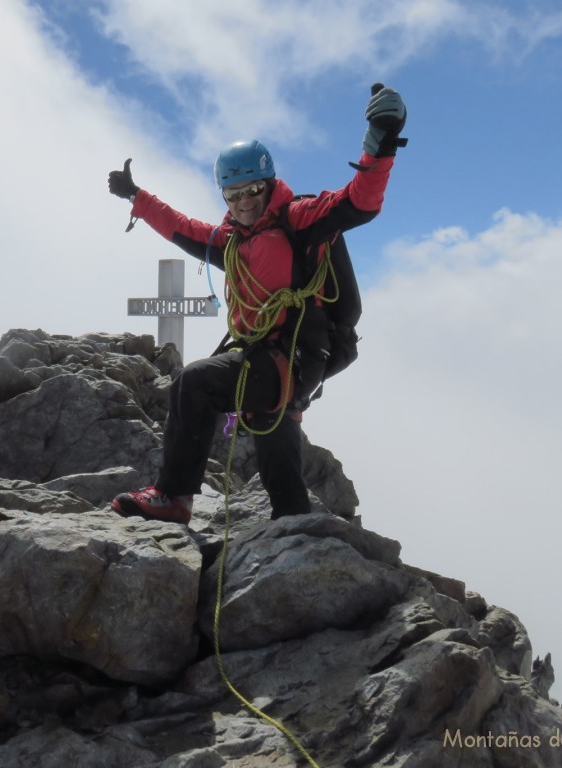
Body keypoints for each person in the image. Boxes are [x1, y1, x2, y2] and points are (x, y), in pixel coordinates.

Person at [107, 86, 407, 525]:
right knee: (276, 450)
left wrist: (379, 142)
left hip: (294, 357)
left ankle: (173, 497)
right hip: (276, 364)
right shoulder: (230, 241)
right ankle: (295, 528)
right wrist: (138, 197)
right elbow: (183, 229)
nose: (245, 202)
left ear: (268, 184)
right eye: (233, 195)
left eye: (253, 190)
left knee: (194, 385)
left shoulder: (300, 219)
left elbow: (358, 202)